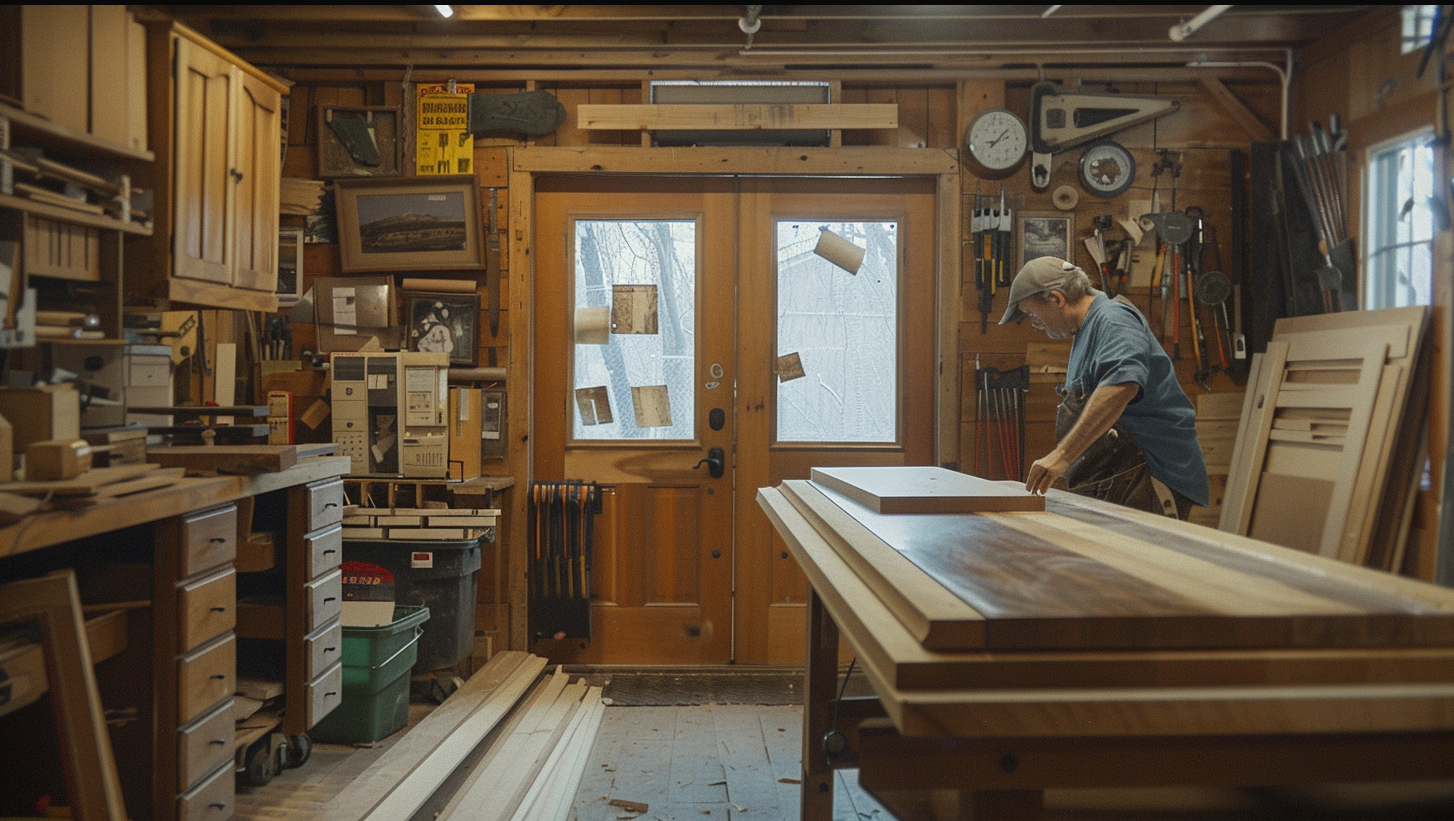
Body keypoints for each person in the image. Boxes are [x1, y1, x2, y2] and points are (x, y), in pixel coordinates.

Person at [999, 256, 1209, 519]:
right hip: (1120, 475)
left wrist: (1062, 456)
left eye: (1032, 313)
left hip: (1149, 474)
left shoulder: (1113, 320)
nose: (1033, 323)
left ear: (1057, 299)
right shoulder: (1088, 328)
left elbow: (1123, 384)